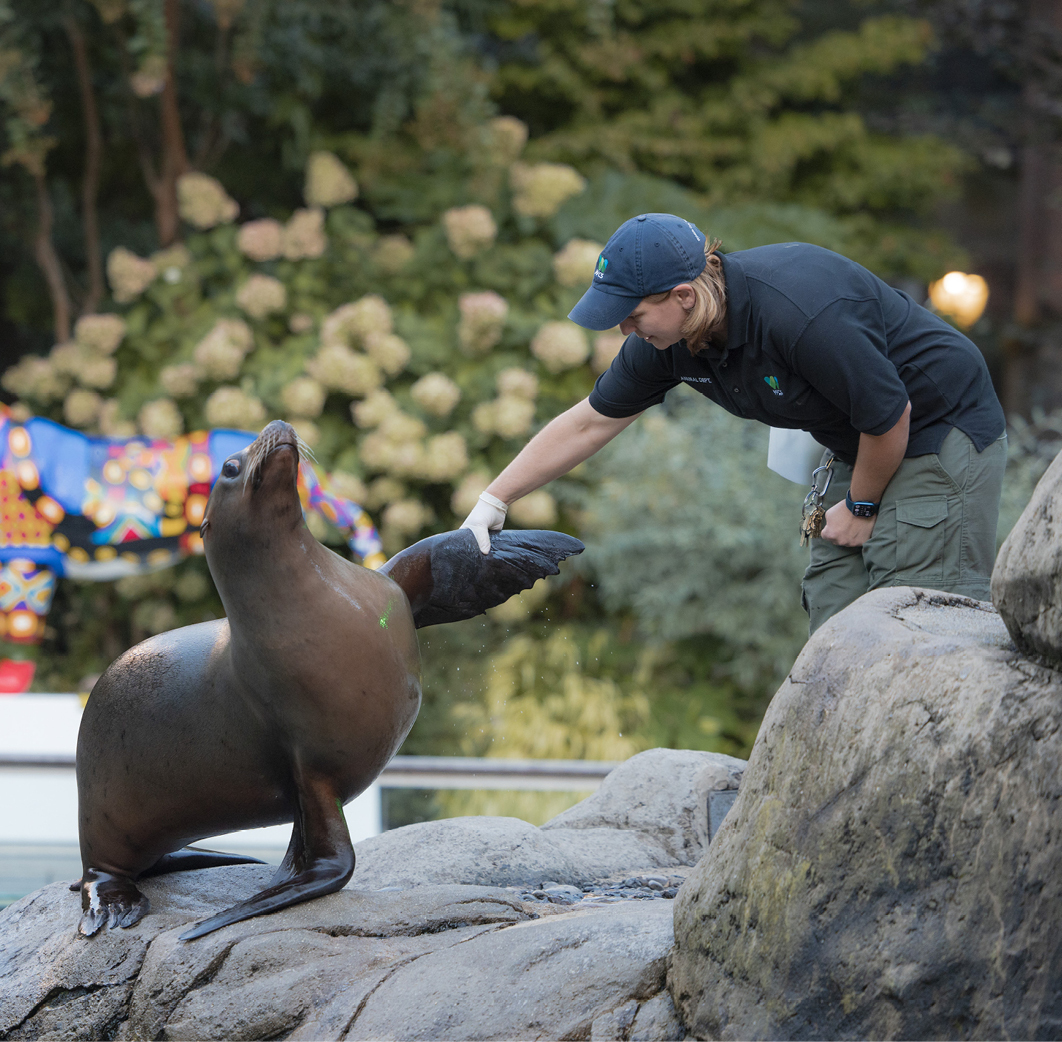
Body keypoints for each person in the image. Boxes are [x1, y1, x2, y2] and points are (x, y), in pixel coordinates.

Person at [460, 213, 1007, 634]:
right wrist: (494, 501)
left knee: (912, 615)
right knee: (836, 610)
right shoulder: (666, 340)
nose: (625, 329)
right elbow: (589, 423)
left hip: (937, 428)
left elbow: (891, 415)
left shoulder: (800, 309)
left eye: (632, 314)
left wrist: (863, 507)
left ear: (683, 295)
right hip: (862, 441)